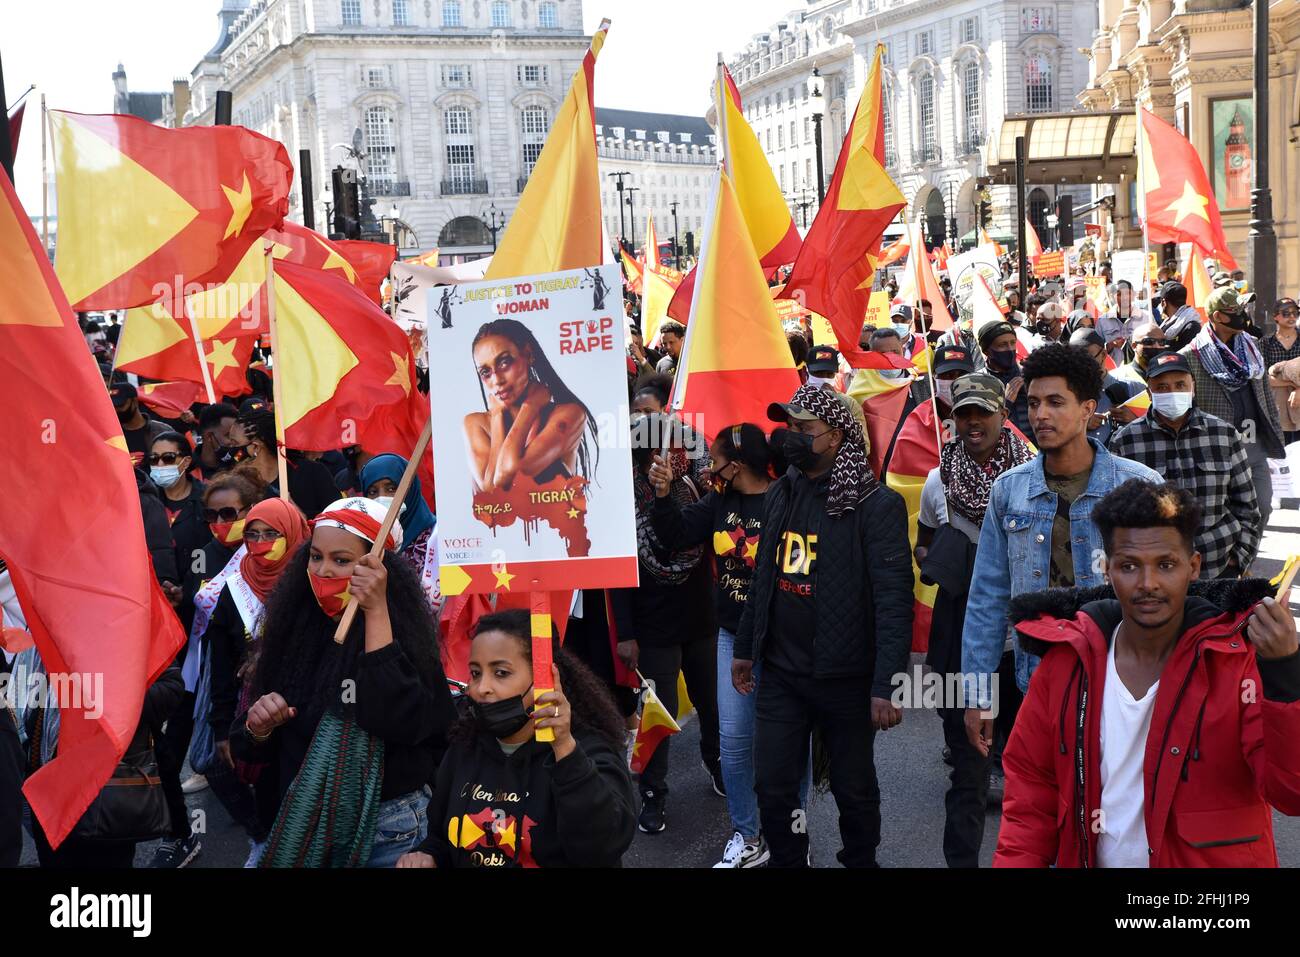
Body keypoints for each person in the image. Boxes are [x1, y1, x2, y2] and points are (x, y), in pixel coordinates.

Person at [996, 480, 1300, 867]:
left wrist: (1285, 673)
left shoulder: (1238, 662)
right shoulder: (1066, 663)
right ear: (1107, 570)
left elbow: (1291, 792)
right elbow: (1029, 798)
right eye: (1129, 566)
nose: (1148, 584)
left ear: (1193, 567)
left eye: (1166, 565)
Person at [735, 384, 914, 867]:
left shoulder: (877, 505)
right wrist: (747, 647)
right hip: (783, 674)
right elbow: (764, 577)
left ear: (835, 436)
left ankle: (860, 858)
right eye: (787, 426)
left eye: (802, 428)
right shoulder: (782, 492)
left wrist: (888, 685)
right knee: (772, 785)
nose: (789, 436)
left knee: (853, 788)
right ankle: (789, 859)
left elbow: (894, 602)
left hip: (848, 680)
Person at [232, 497, 456, 867]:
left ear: (379, 570)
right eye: (315, 557)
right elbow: (250, 749)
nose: (324, 570)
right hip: (298, 822)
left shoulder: (406, 636)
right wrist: (258, 728)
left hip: (388, 829)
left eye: (342, 560)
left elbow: (401, 722)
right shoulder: (291, 630)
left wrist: (376, 611)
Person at [961, 344, 1159, 753]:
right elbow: (987, 597)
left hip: (1126, 684)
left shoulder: (1140, 488)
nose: (1040, 415)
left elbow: (1167, 595)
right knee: (1046, 803)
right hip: (1037, 679)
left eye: (1055, 402)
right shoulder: (1010, 491)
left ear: (1088, 409)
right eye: (1033, 403)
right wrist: (977, 696)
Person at [397, 609, 636, 868]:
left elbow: (602, 848)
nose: (481, 688)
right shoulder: (465, 746)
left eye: (501, 673)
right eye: (476, 673)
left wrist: (565, 750)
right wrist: (427, 856)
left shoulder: (589, 751)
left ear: (544, 680)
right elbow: (441, 838)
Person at [649, 423, 782, 867]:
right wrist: (664, 494)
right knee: (735, 741)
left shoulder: (785, 499)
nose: (711, 470)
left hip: (781, 640)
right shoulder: (719, 501)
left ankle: (789, 837)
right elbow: (675, 536)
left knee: (786, 743)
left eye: (717, 461)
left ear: (736, 464)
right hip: (729, 636)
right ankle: (747, 835)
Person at [915, 374, 1034, 866]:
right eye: (963, 414)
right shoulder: (937, 479)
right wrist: (945, 558)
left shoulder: (1033, 477)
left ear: (1002, 416)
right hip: (960, 631)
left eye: (982, 412)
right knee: (966, 770)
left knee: (1030, 767)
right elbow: (922, 543)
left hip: (1024, 638)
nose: (972, 422)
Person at [612, 412, 719, 835]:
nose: (672, 452)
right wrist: (625, 632)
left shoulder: (698, 486)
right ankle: (653, 794)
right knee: (659, 713)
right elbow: (619, 570)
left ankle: (718, 765)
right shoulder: (622, 497)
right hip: (652, 623)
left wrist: (674, 491)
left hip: (700, 615)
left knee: (711, 702)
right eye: (661, 446)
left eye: (676, 445)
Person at [1109, 351, 1261, 579]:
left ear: (1193, 388)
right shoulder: (1125, 441)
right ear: (1149, 393)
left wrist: (1238, 560)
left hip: (1218, 566)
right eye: (1161, 387)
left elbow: (1247, 506)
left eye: (1180, 385)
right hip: (1153, 573)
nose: (1172, 393)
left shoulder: (1224, 434)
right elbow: (1114, 513)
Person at [1180, 286, 1285, 529]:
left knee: (1262, 507)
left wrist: (1274, 433)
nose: (1243, 314)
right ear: (1218, 317)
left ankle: (1246, 559)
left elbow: (1265, 394)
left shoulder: (1252, 346)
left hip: (1254, 445)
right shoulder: (1191, 355)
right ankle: (1231, 563)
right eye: (1236, 310)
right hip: (1215, 451)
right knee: (1222, 513)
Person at [464, 318, 600, 492]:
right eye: (485, 372)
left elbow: (510, 477)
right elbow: (493, 491)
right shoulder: (475, 423)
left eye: (504, 362)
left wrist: (530, 408)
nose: (496, 380)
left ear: (528, 354)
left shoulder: (569, 414)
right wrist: (498, 415)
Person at [359, 453, 441, 617]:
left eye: (391, 488)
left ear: (411, 489)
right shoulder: (361, 541)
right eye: (373, 492)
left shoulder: (438, 538)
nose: (382, 497)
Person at [232, 398, 341, 518]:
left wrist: (298, 518)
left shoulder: (312, 473)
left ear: (256, 447)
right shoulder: (236, 485)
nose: (230, 450)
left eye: (234, 443)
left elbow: (339, 522)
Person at [149, 432, 211, 599]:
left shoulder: (208, 500)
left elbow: (210, 551)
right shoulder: (145, 503)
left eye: (168, 458)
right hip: (155, 595)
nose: (160, 464)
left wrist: (189, 589)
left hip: (199, 599)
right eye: (154, 459)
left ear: (186, 462)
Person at [1070, 328, 1141, 447]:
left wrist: (1136, 420)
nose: (1080, 364)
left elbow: (1157, 428)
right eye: (1075, 359)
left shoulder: (1134, 389)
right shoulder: (1065, 394)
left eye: (1087, 358)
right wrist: (1079, 423)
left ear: (1103, 354)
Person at [977, 320, 1031, 437]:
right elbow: (981, 428)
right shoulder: (978, 382)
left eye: (1012, 343)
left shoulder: (1028, 373)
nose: (1010, 349)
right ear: (987, 351)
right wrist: (1006, 404)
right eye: (1002, 345)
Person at [1262, 297, 1300, 445]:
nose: (1291, 317)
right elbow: (1263, 378)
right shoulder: (1265, 342)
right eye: (1286, 313)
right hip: (1277, 407)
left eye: (1295, 313)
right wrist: (1294, 383)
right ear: (1275, 316)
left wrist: (1298, 390)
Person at [110, 381, 170, 467]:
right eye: (112, 406)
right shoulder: (110, 435)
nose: (116, 410)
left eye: (120, 405)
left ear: (135, 401)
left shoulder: (161, 431)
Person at [1111, 319, 1169, 387]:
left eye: (1161, 342)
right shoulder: (1118, 378)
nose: (1157, 346)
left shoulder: (1172, 376)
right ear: (1134, 346)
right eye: (1148, 342)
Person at [1097, 279, 1139, 366]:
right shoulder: (1102, 321)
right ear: (1113, 296)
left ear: (1133, 295)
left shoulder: (1145, 317)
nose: (1124, 297)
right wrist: (1110, 345)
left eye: (1128, 293)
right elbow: (1095, 350)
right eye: (1119, 294)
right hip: (1113, 372)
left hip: (1139, 372)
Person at [193, 403, 240, 478]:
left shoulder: (243, 468)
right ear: (209, 436)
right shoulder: (187, 470)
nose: (236, 441)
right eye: (229, 435)